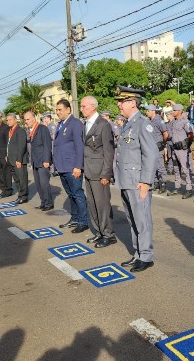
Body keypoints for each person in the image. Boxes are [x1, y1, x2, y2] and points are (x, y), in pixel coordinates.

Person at [114, 86, 158, 272]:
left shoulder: (142, 124)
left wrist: (146, 182)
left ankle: (146, 256)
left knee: (142, 220)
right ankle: (138, 253)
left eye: (122, 101)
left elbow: (151, 154)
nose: (119, 105)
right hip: (126, 180)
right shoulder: (128, 124)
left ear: (132, 103)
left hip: (137, 181)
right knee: (133, 220)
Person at [80, 96, 116, 248]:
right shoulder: (85, 124)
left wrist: (106, 174)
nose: (81, 109)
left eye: (84, 106)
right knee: (92, 203)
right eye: (81, 106)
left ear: (93, 107)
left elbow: (109, 151)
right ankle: (99, 232)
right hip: (88, 170)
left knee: (102, 205)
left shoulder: (103, 125)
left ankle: (108, 234)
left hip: (99, 171)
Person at [53, 99, 89, 233]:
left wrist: (78, 166)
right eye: (56, 110)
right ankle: (74, 218)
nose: (58, 112)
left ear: (68, 109)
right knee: (71, 194)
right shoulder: (61, 124)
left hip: (72, 166)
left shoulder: (75, 123)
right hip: (62, 166)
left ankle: (83, 221)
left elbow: (80, 147)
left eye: (60, 110)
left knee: (78, 194)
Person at [24, 111, 53, 211]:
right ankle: (43, 202)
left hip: (42, 160)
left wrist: (46, 159)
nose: (26, 121)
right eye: (25, 119)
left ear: (33, 118)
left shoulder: (42, 128)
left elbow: (47, 144)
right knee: (38, 184)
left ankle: (49, 203)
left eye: (28, 119)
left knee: (44, 183)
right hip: (35, 161)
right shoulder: (29, 130)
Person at [166, 104, 194, 199]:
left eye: (174, 110)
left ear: (179, 111)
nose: (173, 112)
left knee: (185, 169)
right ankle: (177, 187)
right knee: (176, 169)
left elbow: (191, 135)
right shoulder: (173, 122)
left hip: (182, 149)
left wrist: (187, 145)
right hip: (174, 148)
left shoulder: (185, 122)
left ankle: (189, 189)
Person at [5, 113, 29, 204]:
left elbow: (22, 146)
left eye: (10, 120)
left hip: (19, 160)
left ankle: (24, 196)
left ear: (15, 120)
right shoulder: (10, 131)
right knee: (17, 179)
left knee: (22, 179)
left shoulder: (20, 131)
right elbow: (9, 145)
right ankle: (20, 195)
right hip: (11, 159)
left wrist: (19, 159)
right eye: (7, 120)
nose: (8, 122)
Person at [146, 105, 168, 193]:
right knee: (152, 166)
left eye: (148, 111)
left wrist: (162, 143)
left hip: (158, 147)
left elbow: (165, 134)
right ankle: (155, 182)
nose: (146, 112)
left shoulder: (159, 120)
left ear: (152, 111)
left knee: (160, 167)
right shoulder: (148, 121)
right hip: (151, 147)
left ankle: (163, 184)